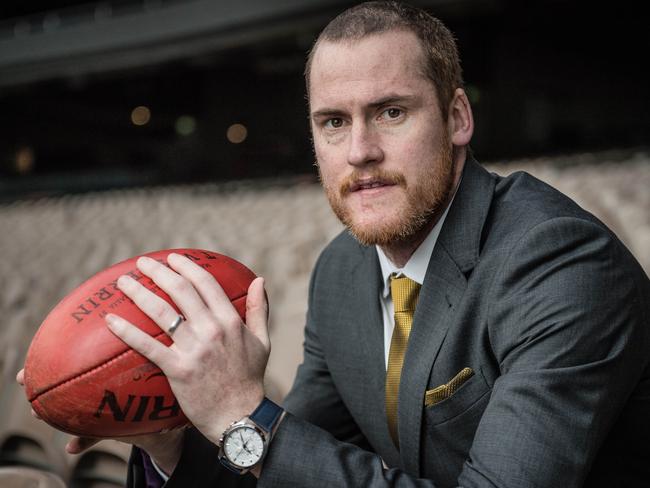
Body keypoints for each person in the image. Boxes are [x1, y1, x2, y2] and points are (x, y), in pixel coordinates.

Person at [20, 2, 650, 486]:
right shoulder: (344, 273)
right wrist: (171, 438)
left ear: (458, 117)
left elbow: (270, 441)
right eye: (333, 122)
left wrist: (246, 415)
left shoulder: (562, 264)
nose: (360, 152)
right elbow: (293, 461)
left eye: (392, 112)